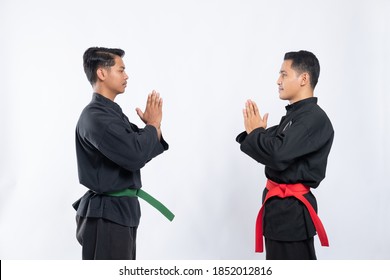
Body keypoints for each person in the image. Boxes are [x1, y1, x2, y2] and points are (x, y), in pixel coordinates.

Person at [73, 47, 172, 260]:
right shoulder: (96, 117)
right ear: (102, 73)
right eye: (121, 70)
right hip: (106, 215)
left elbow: (141, 145)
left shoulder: (111, 113)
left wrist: (153, 127)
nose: (126, 76)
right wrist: (153, 125)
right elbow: (135, 154)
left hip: (118, 212)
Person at [236, 50, 334, 260]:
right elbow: (270, 144)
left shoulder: (313, 119)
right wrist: (257, 135)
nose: (278, 80)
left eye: (284, 74)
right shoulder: (294, 116)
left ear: (304, 79)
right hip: (280, 212)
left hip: (292, 214)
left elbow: (276, 154)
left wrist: (256, 134)